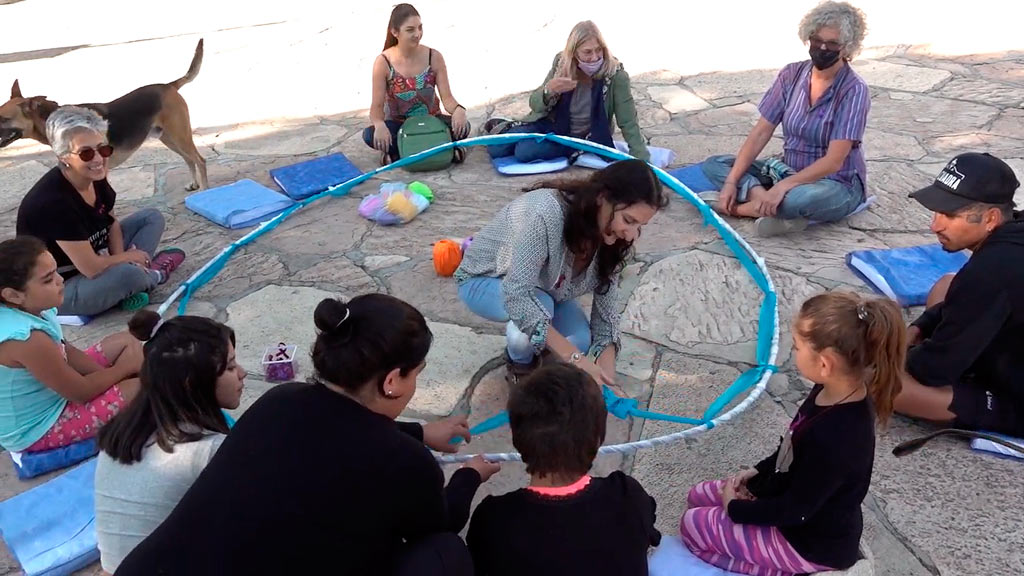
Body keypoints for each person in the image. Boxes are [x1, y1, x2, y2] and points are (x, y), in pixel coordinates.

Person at [116, 293, 500, 575]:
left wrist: (419, 431)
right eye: (416, 374)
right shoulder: (406, 464)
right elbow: (439, 521)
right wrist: (470, 476)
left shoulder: (279, 401)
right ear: (391, 381)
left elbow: (336, 429)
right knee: (445, 553)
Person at [681, 292, 906, 575]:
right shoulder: (831, 390)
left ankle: (787, 571)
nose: (793, 351)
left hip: (807, 541)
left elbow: (796, 510)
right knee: (696, 496)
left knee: (692, 527)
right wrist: (757, 472)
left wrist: (734, 508)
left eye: (798, 347)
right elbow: (793, 445)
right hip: (789, 502)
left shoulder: (839, 438)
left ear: (824, 364)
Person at [455, 159, 668, 388]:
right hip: (485, 280)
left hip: (547, 291)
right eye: (628, 220)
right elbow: (516, 294)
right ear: (601, 198)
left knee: (581, 340)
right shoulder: (547, 214)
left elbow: (606, 316)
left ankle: (540, 345)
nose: (631, 235)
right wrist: (574, 358)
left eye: (640, 226)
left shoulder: (614, 240)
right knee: (541, 314)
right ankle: (520, 365)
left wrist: (608, 381)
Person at [467, 363, 661, 575]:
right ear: (599, 439)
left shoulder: (493, 519)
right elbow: (650, 531)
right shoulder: (627, 496)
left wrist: (466, 478)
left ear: (515, 437)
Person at [698, 1, 870, 237]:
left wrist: (782, 187)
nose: (822, 48)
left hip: (834, 183)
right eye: (816, 40)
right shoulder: (792, 74)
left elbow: (833, 162)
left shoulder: (854, 90)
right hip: (788, 168)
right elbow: (761, 132)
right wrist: (731, 181)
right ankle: (769, 207)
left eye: (832, 44)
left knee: (801, 199)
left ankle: (739, 209)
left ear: (847, 48)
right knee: (715, 165)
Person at [95, 311, 245, 574]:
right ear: (191, 384)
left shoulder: (120, 434)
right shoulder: (208, 452)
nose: (243, 373)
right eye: (231, 367)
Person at [894, 152, 1024, 438]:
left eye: (950, 215)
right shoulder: (1013, 232)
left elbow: (932, 370)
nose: (935, 225)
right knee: (947, 283)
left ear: (990, 218)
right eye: (937, 212)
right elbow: (968, 300)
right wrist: (920, 326)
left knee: (877, 382)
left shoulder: (992, 270)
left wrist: (894, 353)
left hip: (1014, 397)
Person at [15, 106, 186, 316]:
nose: (98, 159)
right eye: (86, 153)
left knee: (151, 218)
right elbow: (91, 268)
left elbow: (111, 222)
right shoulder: (53, 202)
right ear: (64, 157)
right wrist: (126, 261)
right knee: (127, 275)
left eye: (103, 149)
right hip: (59, 285)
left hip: (91, 257)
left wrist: (123, 256)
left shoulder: (94, 175)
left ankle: (128, 285)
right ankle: (154, 275)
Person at [0, 236, 142, 454]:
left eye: (56, 272)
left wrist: (110, 378)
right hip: (39, 427)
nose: (60, 281)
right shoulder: (26, 339)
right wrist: (124, 370)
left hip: (55, 390)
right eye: (48, 280)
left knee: (125, 342)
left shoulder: (32, 307)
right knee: (139, 388)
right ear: (13, 295)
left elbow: (67, 350)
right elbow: (80, 392)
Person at [483, 20, 650, 163]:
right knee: (496, 147)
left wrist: (642, 160)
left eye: (599, 50)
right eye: (587, 52)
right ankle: (511, 127)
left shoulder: (615, 76)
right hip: (551, 124)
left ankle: (569, 149)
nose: (594, 57)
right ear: (574, 52)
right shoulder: (561, 64)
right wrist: (549, 90)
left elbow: (629, 122)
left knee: (525, 151)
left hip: (582, 136)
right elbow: (535, 105)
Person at [362, 3, 471, 166]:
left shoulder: (433, 56)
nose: (417, 34)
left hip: (432, 121)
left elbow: (447, 98)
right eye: (410, 30)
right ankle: (441, 149)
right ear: (395, 32)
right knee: (370, 135)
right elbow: (376, 108)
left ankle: (401, 154)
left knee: (464, 126)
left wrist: (458, 110)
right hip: (400, 127)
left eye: (420, 28)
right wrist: (379, 124)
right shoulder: (383, 62)